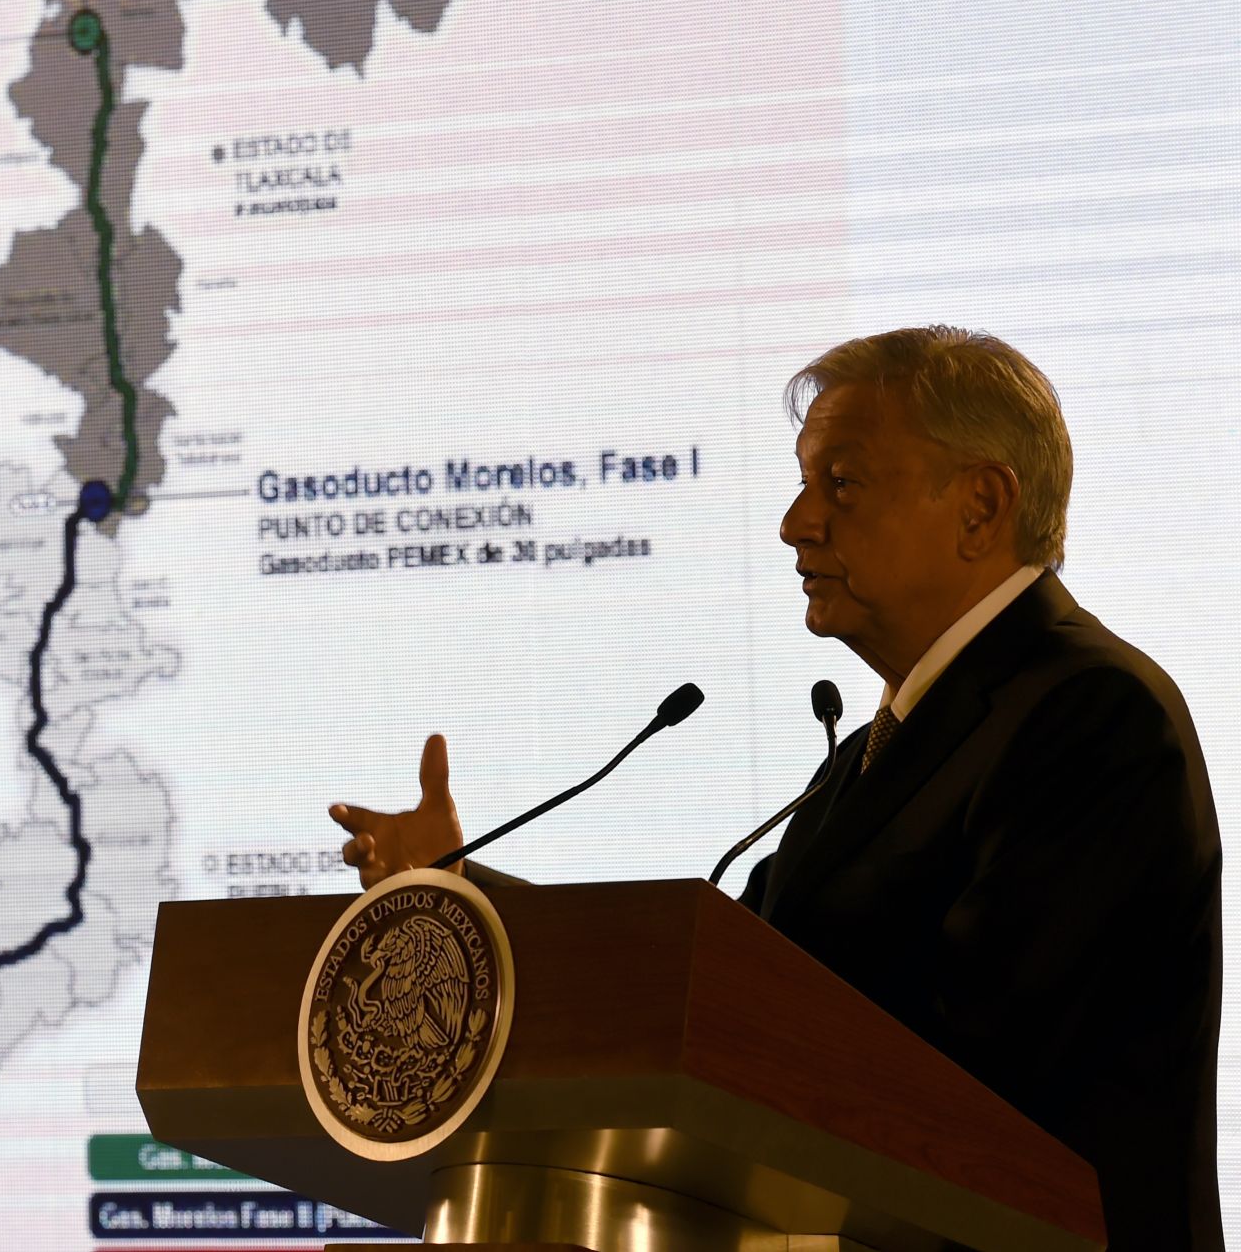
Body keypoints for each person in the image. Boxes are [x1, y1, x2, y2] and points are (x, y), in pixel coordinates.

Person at [332, 327, 1223, 1249]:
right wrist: (460, 896)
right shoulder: (868, 754)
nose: (796, 522)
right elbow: (719, 987)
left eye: (841, 483)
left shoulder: (1093, 713)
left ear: (980, 507)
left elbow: (974, 1079)